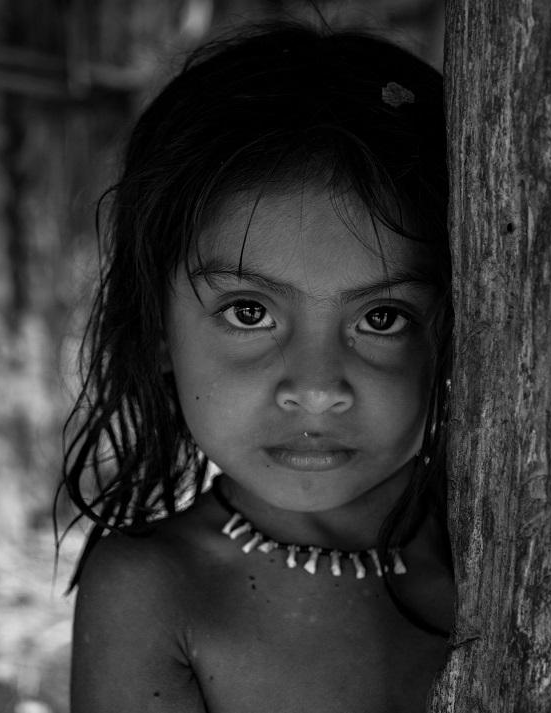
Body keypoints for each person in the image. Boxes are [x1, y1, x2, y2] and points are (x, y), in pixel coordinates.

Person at [60, 21, 455, 713]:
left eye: (382, 318)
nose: (315, 388)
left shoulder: (521, 542)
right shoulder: (157, 593)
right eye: (249, 312)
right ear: (156, 325)